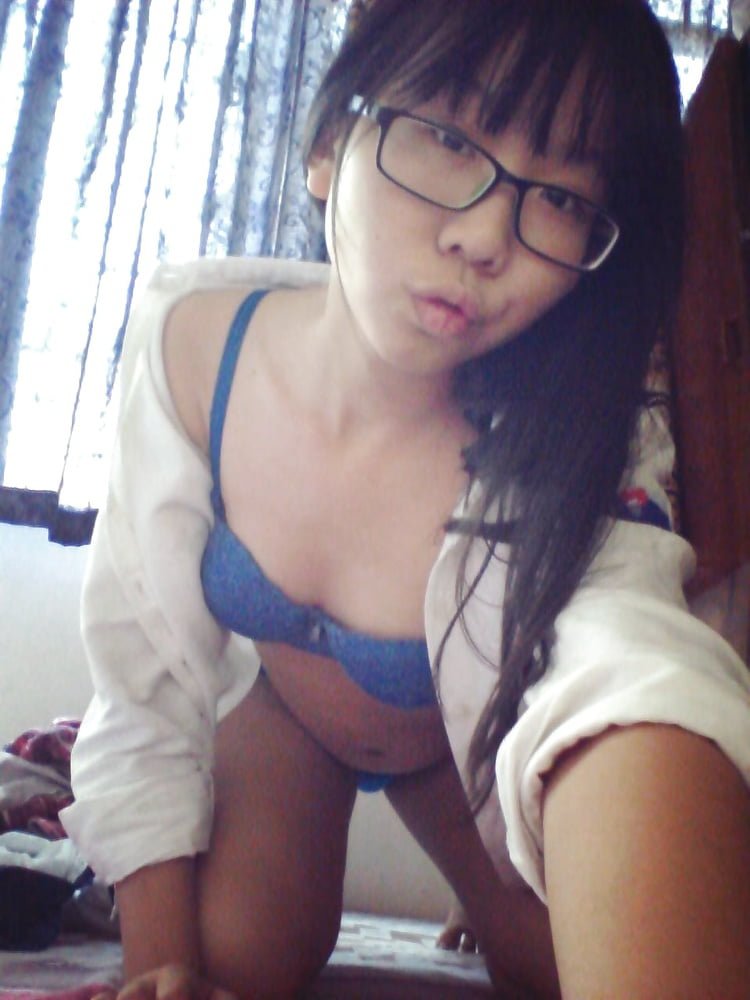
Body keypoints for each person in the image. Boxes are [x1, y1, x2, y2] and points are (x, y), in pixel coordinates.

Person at [62, 1, 750, 997]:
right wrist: (157, 966)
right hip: (288, 718)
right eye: (448, 138)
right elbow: (144, 674)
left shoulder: (573, 444)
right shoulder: (191, 346)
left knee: (553, 965)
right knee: (233, 958)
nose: (484, 236)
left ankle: (491, 883)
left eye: (561, 199)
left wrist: (623, 776)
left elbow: (624, 654)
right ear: (329, 147)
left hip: (451, 754)